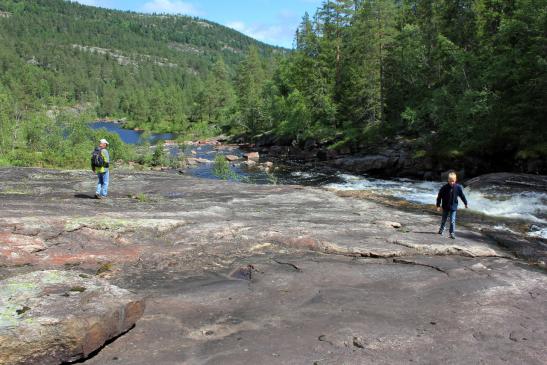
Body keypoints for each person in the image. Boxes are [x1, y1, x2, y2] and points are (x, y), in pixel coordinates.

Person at [436, 172, 468, 239]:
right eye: (450, 181)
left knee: (452, 221)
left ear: (455, 180)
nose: (452, 183)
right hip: (445, 207)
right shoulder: (444, 188)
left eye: (453, 181)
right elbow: (439, 197)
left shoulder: (458, 187)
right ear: (448, 180)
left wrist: (465, 203)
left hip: (453, 207)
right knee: (444, 219)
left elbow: (462, 196)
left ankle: (452, 233)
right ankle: (441, 229)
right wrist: (438, 206)